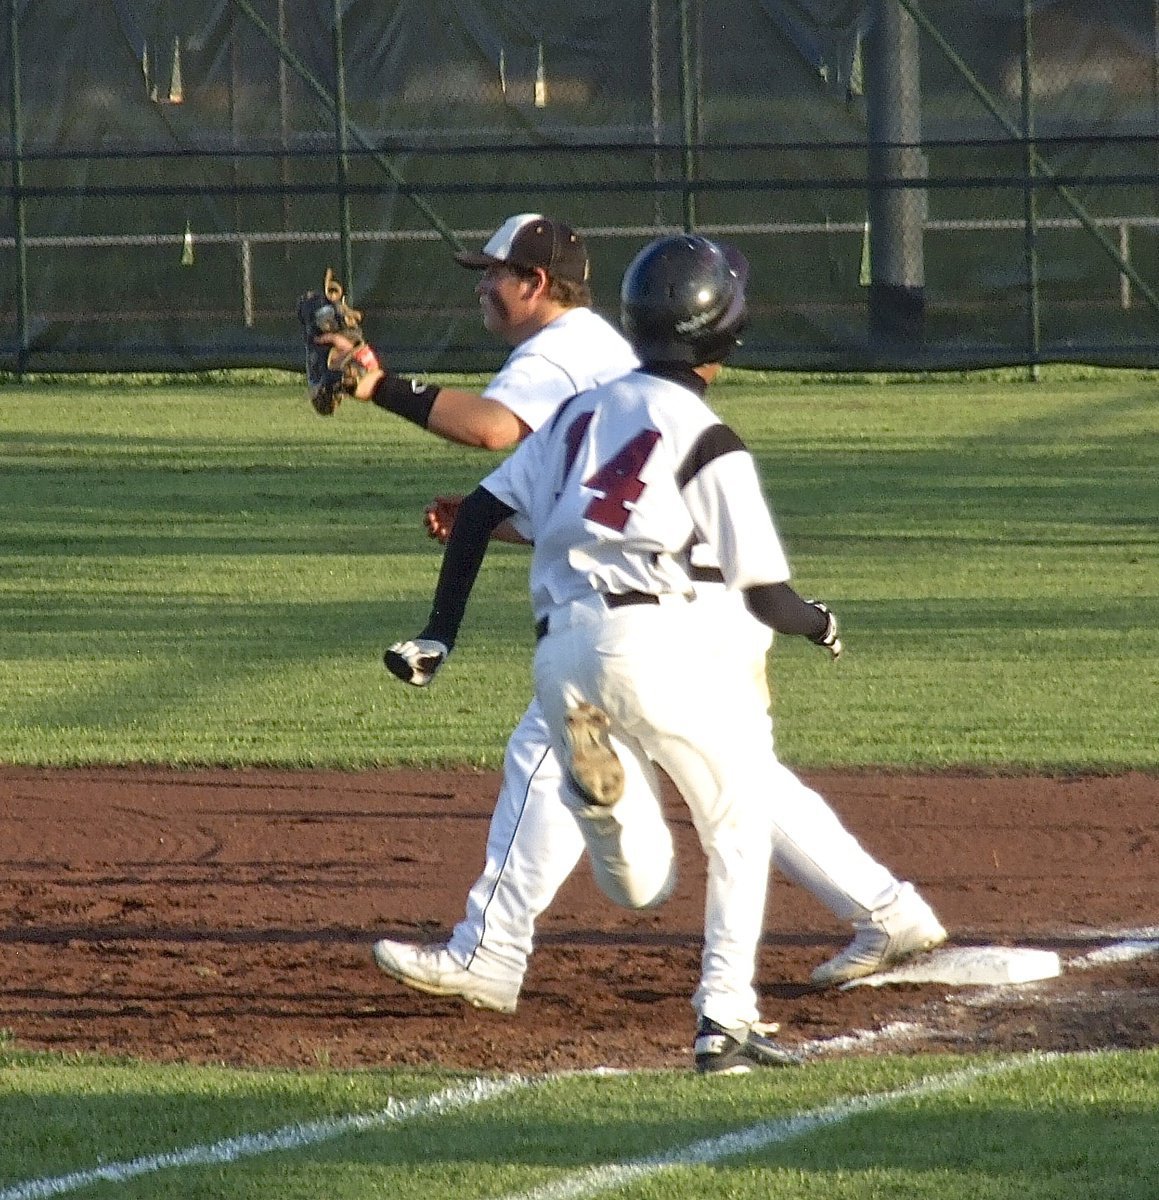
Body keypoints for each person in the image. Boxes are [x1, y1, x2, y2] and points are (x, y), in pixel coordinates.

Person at [336, 213, 944, 1018]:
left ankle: (493, 953)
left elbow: (491, 432)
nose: (481, 284)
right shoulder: (600, 357)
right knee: (736, 780)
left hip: (671, 607)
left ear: (537, 284)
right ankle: (886, 912)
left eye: (493, 271)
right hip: (698, 596)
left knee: (550, 753)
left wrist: (379, 388)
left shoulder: (560, 353)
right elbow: (600, 500)